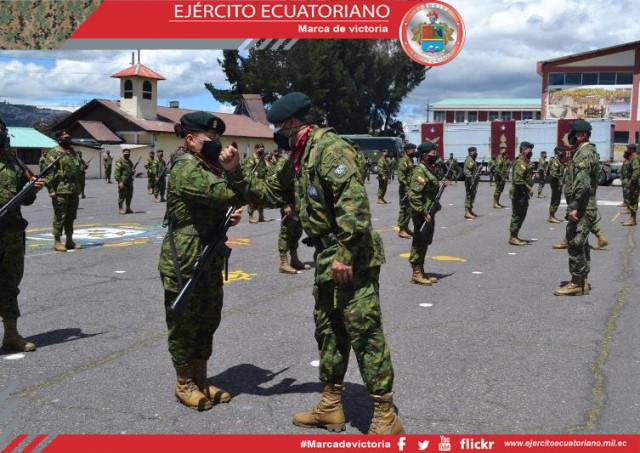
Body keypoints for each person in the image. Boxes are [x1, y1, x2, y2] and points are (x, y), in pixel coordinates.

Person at [219, 92, 404, 434]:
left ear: (293, 123)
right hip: (326, 256)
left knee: (364, 332)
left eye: (279, 127)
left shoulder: (331, 149)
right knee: (329, 331)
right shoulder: (298, 158)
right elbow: (269, 193)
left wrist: (345, 253)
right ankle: (331, 405)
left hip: (351, 255)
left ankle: (384, 415)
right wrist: (235, 172)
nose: (278, 134)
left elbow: (354, 206)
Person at [158, 111, 244, 411]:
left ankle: (200, 378)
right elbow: (223, 192)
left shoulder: (206, 166)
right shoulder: (185, 166)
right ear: (191, 139)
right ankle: (184, 383)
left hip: (208, 252)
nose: (216, 143)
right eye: (211, 138)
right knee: (184, 322)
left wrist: (226, 217)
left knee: (208, 318)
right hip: (186, 255)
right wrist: (236, 175)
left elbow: (216, 201)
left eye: (218, 138)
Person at [0, 115, 45, 352]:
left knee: (10, 283)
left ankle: (11, 334)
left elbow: (24, 200)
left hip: (12, 234)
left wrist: (32, 190)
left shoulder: (14, 163)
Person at [554, 119, 600, 296]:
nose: (570, 135)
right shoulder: (583, 151)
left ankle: (576, 283)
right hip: (584, 205)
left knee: (574, 243)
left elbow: (582, 183)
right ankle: (583, 281)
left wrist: (574, 207)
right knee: (582, 244)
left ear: (583, 135)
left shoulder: (584, 154)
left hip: (582, 207)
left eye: (573, 132)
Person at [408, 141, 447, 285]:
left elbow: (431, 187)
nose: (435, 155)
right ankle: (416, 272)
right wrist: (423, 213)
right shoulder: (419, 171)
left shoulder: (429, 169)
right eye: (433, 153)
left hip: (429, 210)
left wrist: (442, 183)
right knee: (419, 241)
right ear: (425, 155)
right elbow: (414, 196)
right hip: (422, 212)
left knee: (425, 241)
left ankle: (421, 270)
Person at [45, 130, 83, 252]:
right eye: (65, 137)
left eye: (69, 137)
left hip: (73, 189)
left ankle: (69, 240)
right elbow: (49, 172)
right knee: (60, 216)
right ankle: (57, 241)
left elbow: (78, 170)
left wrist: (79, 188)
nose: (68, 139)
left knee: (71, 216)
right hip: (60, 189)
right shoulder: (54, 152)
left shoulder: (72, 152)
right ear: (59, 139)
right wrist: (51, 189)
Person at [275, 150, 311, 274]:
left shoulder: (298, 158)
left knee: (297, 232)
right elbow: (278, 184)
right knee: (286, 232)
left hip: (299, 203)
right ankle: (283, 262)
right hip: (289, 203)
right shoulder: (284, 160)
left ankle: (294, 259)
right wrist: (284, 204)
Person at [508, 142, 535, 246]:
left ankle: (515, 235)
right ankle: (513, 237)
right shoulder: (520, 162)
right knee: (517, 215)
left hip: (522, 193)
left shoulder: (525, 162)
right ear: (523, 149)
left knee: (522, 214)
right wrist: (529, 188)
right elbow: (518, 180)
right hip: (518, 193)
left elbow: (525, 177)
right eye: (529, 149)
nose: (531, 151)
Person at [243, 143, 269, 223]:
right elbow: (248, 170)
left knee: (261, 199)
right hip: (254, 182)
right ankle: (251, 216)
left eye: (262, 147)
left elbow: (265, 169)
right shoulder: (252, 158)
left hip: (262, 181)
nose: (261, 149)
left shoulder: (262, 159)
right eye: (259, 148)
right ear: (255, 149)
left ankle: (261, 216)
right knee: (252, 199)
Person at [397, 143, 416, 239]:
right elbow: (401, 177)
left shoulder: (410, 160)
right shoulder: (403, 160)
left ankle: (406, 227)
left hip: (410, 188)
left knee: (409, 209)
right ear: (407, 150)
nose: (414, 151)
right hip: (405, 189)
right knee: (404, 209)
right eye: (412, 150)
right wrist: (406, 189)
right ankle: (401, 230)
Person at [621, 144, 639, 226]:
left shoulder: (635, 158)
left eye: (628, 148)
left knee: (633, 202)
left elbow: (636, 172)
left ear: (632, 149)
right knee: (631, 201)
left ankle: (633, 220)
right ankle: (632, 219)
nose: (627, 150)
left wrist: (631, 182)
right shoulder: (631, 157)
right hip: (632, 184)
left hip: (634, 185)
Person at [547, 147, 565, 223]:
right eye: (562, 151)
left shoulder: (558, 160)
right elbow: (553, 173)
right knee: (555, 199)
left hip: (557, 182)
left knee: (557, 199)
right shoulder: (555, 160)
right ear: (557, 152)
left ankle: (553, 215)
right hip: (556, 183)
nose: (563, 153)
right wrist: (559, 181)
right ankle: (551, 216)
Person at [115, 149, 135, 214]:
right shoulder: (120, 161)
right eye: (126, 153)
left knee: (129, 195)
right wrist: (119, 181)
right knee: (122, 195)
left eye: (128, 153)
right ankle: (120, 208)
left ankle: (128, 208)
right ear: (123, 153)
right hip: (123, 181)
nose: (127, 154)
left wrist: (133, 172)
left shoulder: (130, 162)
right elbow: (117, 172)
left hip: (130, 181)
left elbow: (131, 171)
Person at [463, 146, 479, 219]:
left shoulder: (473, 160)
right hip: (470, 181)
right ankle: (467, 212)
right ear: (470, 152)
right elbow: (466, 171)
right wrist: (471, 179)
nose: (476, 153)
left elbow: (474, 171)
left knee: (472, 195)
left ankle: (470, 210)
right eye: (474, 152)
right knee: (469, 196)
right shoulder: (469, 160)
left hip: (473, 181)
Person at [493, 144, 510, 209]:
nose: (505, 150)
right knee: (498, 189)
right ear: (500, 151)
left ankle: (497, 202)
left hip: (502, 176)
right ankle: (495, 203)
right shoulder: (499, 158)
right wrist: (501, 176)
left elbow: (505, 167)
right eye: (503, 149)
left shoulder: (503, 158)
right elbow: (497, 168)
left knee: (500, 189)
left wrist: (506, 175)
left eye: (505, 149)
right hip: (499, 176)